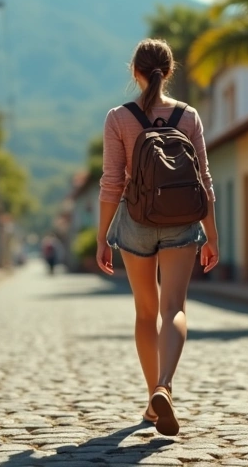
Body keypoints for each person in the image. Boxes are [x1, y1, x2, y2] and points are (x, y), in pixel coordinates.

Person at [96, 38, 219, 437]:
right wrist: (212, 235)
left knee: (146, 313)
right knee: (175, 309)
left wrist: (102, 238)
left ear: (135, 71)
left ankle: (153, 395)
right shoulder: (189, 116)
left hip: (135, 221)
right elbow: (204, 181)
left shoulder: (118, 117)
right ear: (168, 71)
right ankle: (166, 384)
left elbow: (111, 183)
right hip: (183, 222)